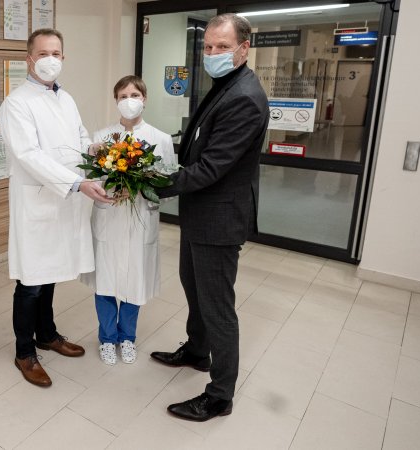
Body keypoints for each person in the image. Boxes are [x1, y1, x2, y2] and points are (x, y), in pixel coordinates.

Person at [148, 13, 270, 422]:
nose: (213, 53)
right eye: (208, 47)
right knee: (194, 288)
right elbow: (198, 143)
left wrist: (153, 184)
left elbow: (212, 167)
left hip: (219, 219)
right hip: (199, 213)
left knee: (218, 306)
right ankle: (198, 351)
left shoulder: (244, 98)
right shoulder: (225, 85)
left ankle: (220, 396)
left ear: (243, 49)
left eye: (222, 46)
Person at [0, 28, 111, 388]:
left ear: (63, 57)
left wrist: (99, 152)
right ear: (29, 58)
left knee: (50, 275)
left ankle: (46, 333)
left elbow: (79, 140)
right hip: (38, 204)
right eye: (43, 53)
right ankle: (24, 352)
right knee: (31, 281)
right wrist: (77, 183)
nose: (50, 59)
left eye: (57, 53)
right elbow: (29, 155)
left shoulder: (67, 99)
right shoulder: (16, 103)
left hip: (64, 202)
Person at [80, 75, 175, 366]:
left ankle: (127, 338)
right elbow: (89, 179)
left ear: (144, 98)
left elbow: (168, 185)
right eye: (122, 96)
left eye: (134, 94)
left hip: (139, 218)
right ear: (116, 100)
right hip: (109, 216)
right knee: (105, 281)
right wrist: (112, 187)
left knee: (135, 280)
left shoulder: (160, 138)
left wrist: (138, 186)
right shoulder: (101, 138)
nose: (129, 101)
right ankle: (107, 339)